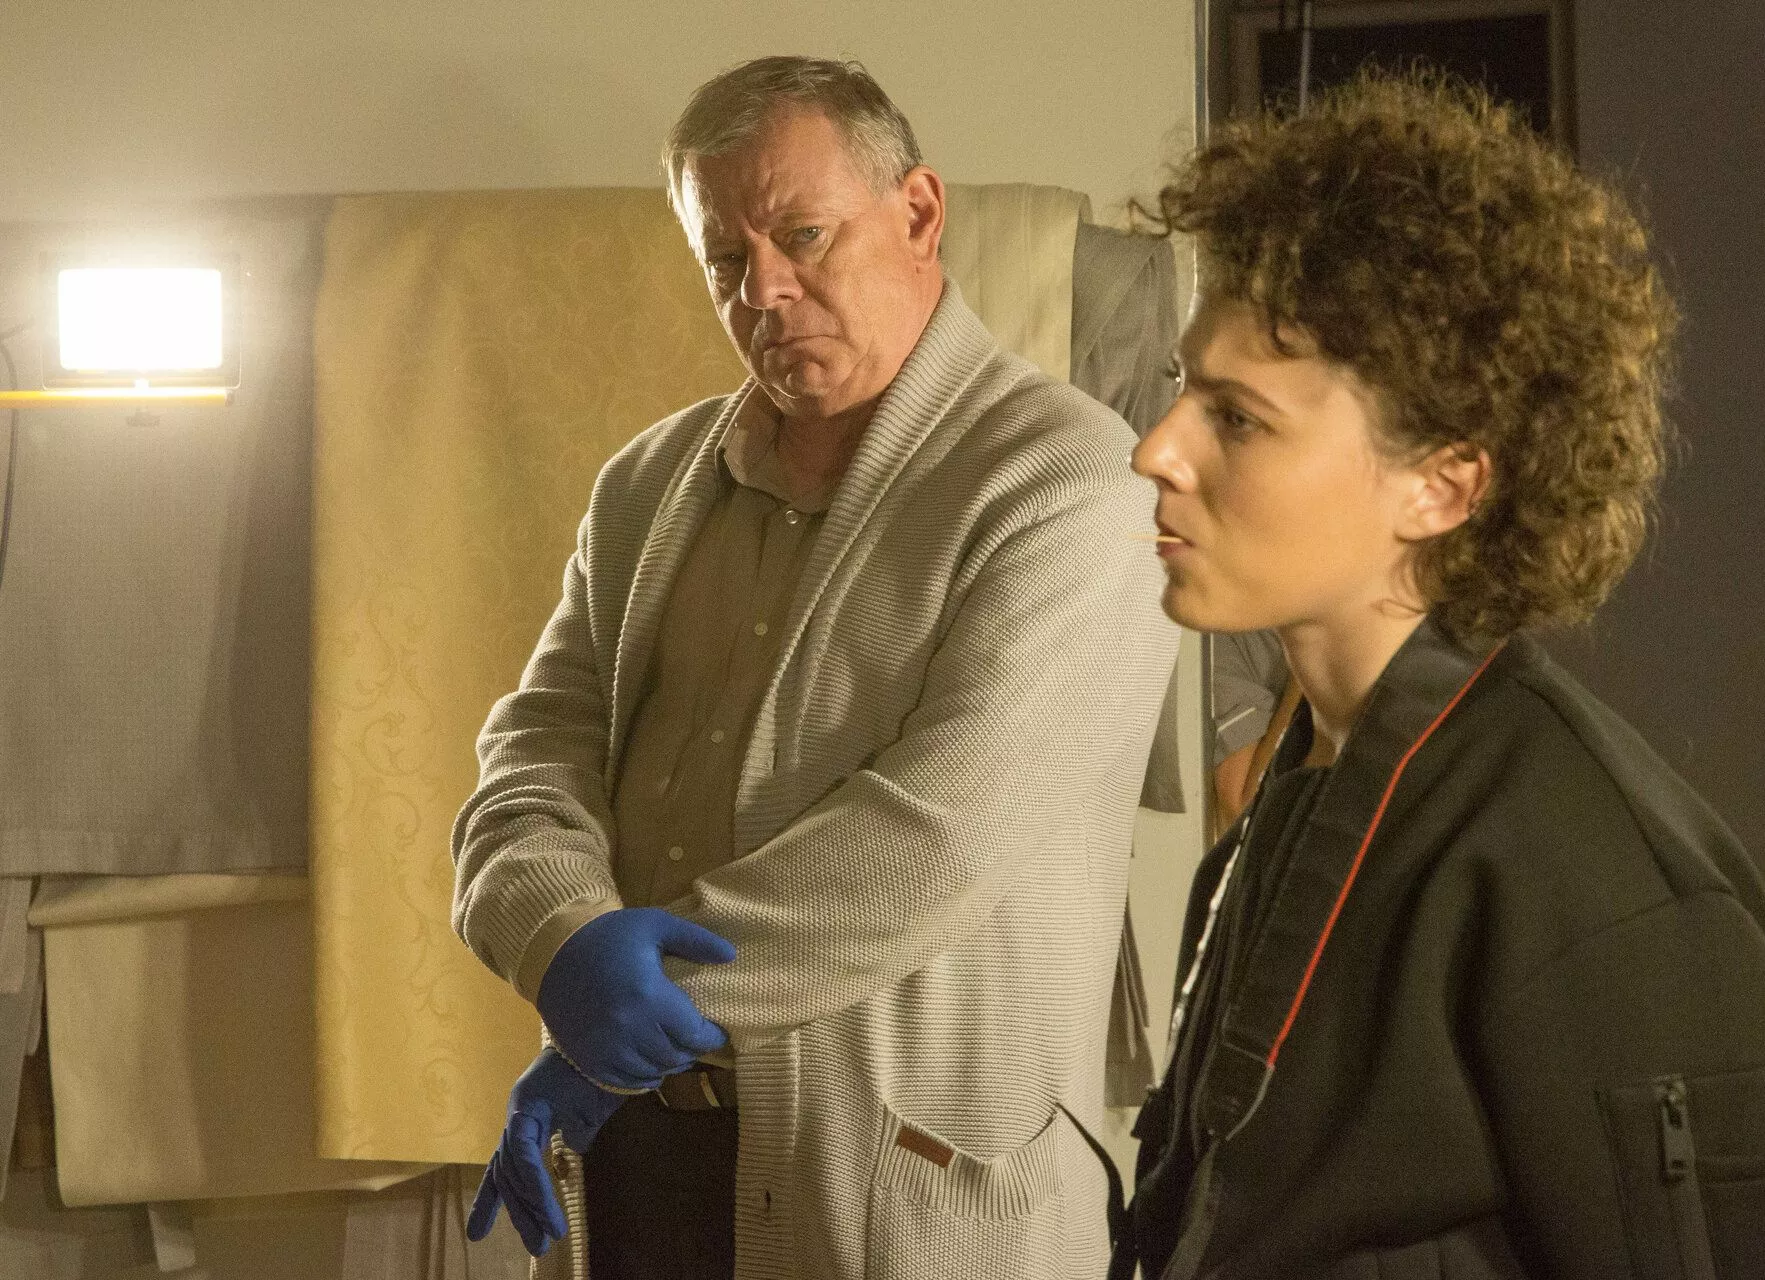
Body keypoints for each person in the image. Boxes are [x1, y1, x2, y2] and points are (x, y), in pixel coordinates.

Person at [450, 56, 1178, 1279]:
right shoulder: (645, 482)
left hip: (905, 1192)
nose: (763, 292)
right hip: (636, 1160)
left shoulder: (1071, 479)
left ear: (920, 213)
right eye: (724, 260)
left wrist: (621, 1017)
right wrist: (559, 938)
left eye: (800, 235)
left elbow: (932, 837)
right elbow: (530, 758)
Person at [1114, 70, 1765, 1279]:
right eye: (1179, 393)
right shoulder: (1296, 787)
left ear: (1442, 486)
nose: (1157, 450)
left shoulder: (1587, 867)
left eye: (1236, 418)